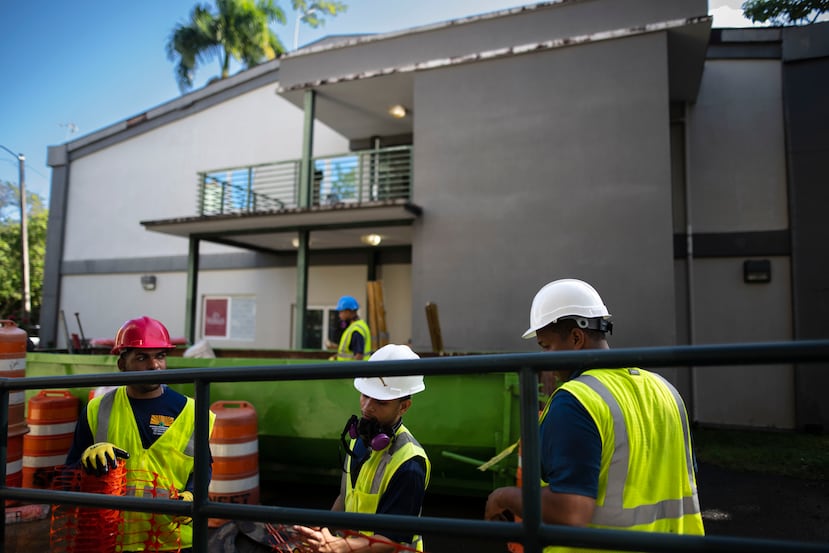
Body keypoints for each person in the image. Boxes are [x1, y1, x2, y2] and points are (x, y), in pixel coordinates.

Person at [485, 279, 704, 551]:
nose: (545, 360)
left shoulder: (576, 400)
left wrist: (503, 496)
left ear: (577, 338)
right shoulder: (665, 390)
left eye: (546, 346)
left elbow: (572, 512)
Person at [64, 315, 216, 553]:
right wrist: (87, 462)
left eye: (160, 356)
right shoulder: (97, 410)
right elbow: (69, 475)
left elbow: (203, 468)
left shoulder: (192, 412)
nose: (154, 366)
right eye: (142, 357)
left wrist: (193, 495)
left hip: (174, 539)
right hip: (112, 539)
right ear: (122, 363)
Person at [294, 344, 430, 552]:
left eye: (380, 402)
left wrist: (337, 547)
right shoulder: (359, 440)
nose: (367, 407)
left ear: (404, 406)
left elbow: (390, 541)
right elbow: (345, 497)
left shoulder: (410, 463)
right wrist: (323, 531)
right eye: (365, 395)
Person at [330, 295, 372, 361]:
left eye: (341, 311)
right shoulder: (358, 326)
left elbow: (359, 356)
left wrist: (352, 370)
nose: (339, 315)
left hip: (351, 370)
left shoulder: (356, 330)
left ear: (349, 311)